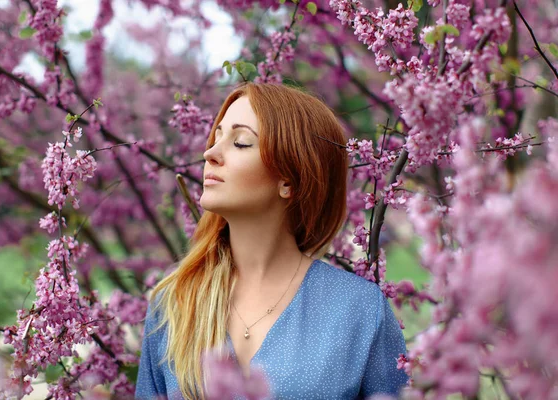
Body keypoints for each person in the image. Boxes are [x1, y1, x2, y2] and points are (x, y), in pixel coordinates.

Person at [135, 82, 408, 399]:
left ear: (288, 180)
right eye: (216, 137)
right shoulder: (174, 304)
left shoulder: (359, 309)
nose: (210, 153)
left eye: (239, 143)